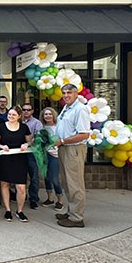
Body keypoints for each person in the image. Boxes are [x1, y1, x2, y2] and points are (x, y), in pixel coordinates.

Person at [54, 84, 90, 228]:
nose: (66, 95)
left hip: (73, 149)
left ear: (76, 93)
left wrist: (62, 140)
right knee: (67, 183)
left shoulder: (80, 109)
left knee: (75, 184)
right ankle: (70, 211)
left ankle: (77, 218)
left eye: (69, 92)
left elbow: (84, 134)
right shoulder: (67, 107)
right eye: (64, 93)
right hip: (64, 148)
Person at [0, 106, 32, 223]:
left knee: (20, 187)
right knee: (4, 184)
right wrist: (1, 146)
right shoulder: (1, 127)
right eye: (9, 114)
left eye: (14, 115)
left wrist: (26, 145)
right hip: (4, 159)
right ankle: (8, 210)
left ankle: (20, 211)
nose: (11, 116)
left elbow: (30, 140)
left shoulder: (24, 127)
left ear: (19, 116)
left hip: (19, 159)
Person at [39, 107, 64, 211]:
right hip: (45, 155)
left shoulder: (59, 126)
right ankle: (50, 198)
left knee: (54, 178)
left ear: (54, 115)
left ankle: (60, 200)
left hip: (56, 155)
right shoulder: (42, 127)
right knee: (46, 177)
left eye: (50, 114)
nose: (48, 116)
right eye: (45, 114)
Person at [21, 103, 43, 210]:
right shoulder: (17, 121)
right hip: (20, 153)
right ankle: (21, 196)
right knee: (20, 176)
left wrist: (28, 143)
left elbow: (37, 137)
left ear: (32, 111)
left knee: (34, 177)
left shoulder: (37, 123)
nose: (26, 111)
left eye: (28, 110)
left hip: (32, 153)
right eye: (24, 109)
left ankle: (33, 199)